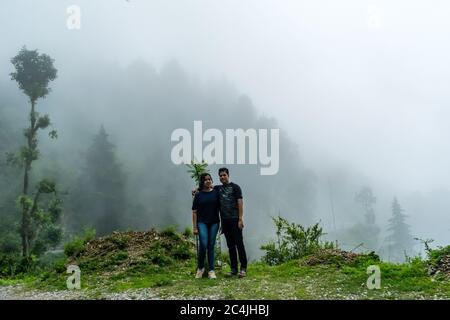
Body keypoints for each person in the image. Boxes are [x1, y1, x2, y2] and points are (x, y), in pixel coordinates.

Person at [215, 167, 248, 277]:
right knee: (230, 246)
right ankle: (234, 269)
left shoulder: (235, 187)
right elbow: (206, 188)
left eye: (224, 175)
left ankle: (243, 268)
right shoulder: (217, 189)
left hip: (235, 219)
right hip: (225, 221)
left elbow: (240, 203)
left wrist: (240, 218)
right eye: (220, 175)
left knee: (239, 244)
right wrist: (196, 189)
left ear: (228, 175)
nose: (222, 177)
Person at [192, 173, 220, 279]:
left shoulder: (216, 193)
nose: (208, 181)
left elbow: (220, 208)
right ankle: (200, 268)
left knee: (211, 245)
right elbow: (194, 212)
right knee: (203, 244)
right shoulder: (198, 195)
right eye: (205, 180)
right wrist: (194, 227)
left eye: (209, 179)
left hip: (214, 222)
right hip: (202, 222)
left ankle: (211, 270)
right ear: (202, 182)